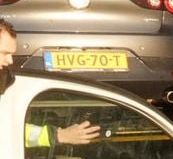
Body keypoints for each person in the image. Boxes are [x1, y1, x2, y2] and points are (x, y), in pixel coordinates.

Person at [0, 17, 101, 145]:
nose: (10, 61)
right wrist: (58, 135)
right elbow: (5, 132)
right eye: (4, 53)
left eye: (11, 54)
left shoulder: (6, 80)